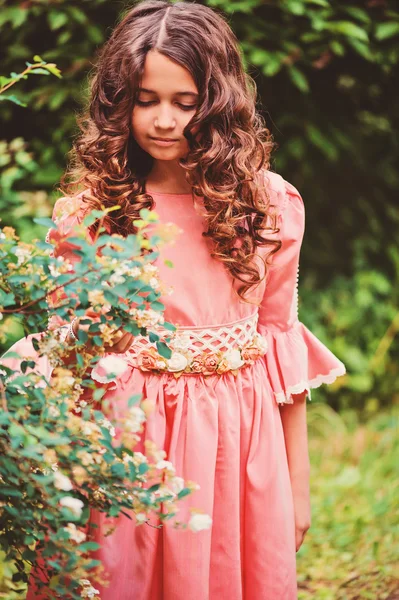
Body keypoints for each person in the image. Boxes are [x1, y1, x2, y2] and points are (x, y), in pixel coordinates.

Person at [15, 1, 346, 598]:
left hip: (236, 452)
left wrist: (297, 487)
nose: (164, 120)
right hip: (126, 448)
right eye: (146, 100)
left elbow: (280, 350)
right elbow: (67, 366)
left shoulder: (265, 208)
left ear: (217, 102)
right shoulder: (91, 217)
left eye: (184, 102)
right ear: (119, 102)